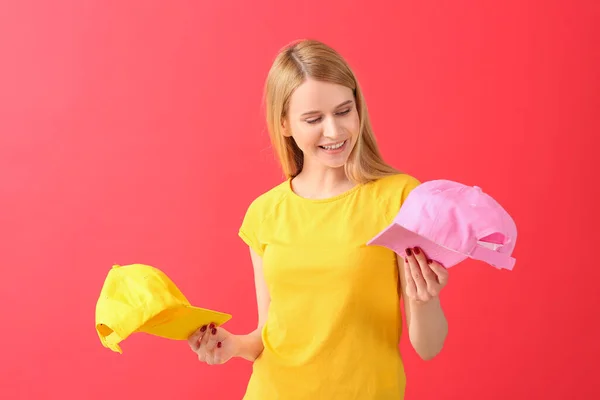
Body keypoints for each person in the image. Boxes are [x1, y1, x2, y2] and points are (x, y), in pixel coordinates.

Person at [187, 39, 450, 399]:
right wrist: (232, 345)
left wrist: (425, 298)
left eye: (344, 111)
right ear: (284, 124)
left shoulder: (400, 199)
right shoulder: (265, 213)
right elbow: (268, 334)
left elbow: (428, 346)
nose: (334, 131)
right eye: (313, 119)